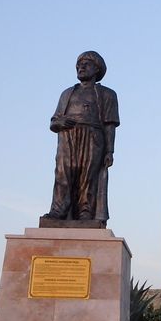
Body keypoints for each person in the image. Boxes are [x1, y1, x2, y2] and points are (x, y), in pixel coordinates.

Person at [43, 51, 120, 223]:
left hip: (93, 137)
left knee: (88, 175)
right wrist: (60, 122)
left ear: (97, 69)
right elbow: (54, 122)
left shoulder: (107, 94)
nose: (81, 67)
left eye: (86, 64)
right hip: (67, 136)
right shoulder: (67, 93)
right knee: (63, 173)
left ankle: (86, 212)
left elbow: (110, 125)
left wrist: (110, 151)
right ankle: (58, 210)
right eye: (78, 65)